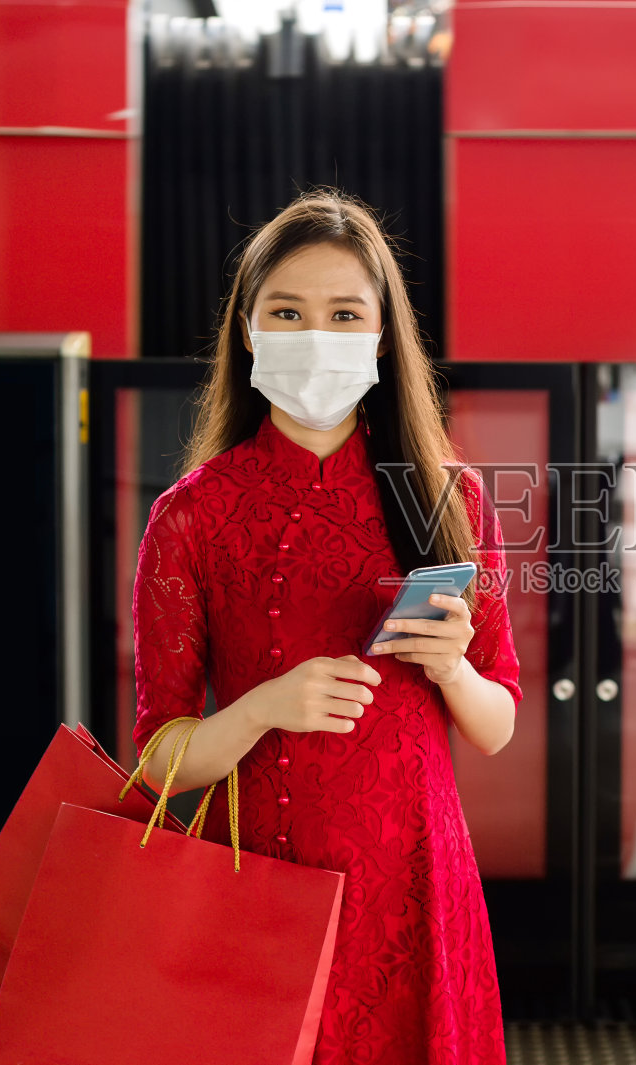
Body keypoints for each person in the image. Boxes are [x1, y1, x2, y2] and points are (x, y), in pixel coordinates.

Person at [131, 189, 520, 1063]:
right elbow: (158, 760)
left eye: (345, 312)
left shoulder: (446, 498)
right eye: (288, 311)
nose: (318, 333)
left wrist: (455, 670)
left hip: (417, 890)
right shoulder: (193, 516)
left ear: (381, 335)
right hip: (260, 884)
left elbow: (498, 723)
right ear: (248, 330)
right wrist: (263, 704)